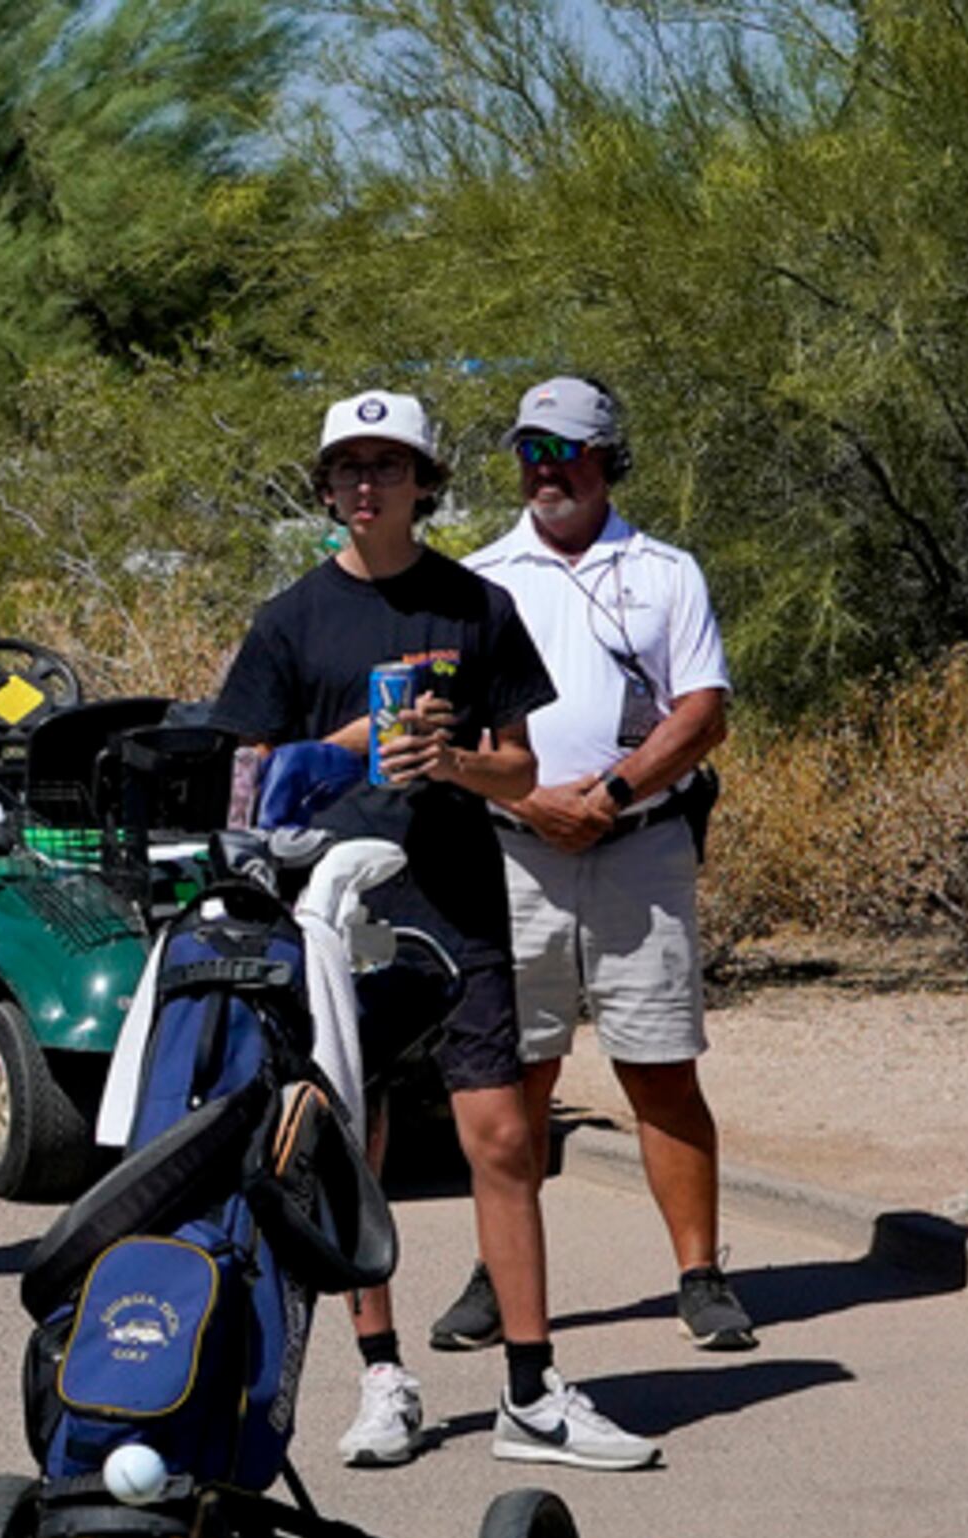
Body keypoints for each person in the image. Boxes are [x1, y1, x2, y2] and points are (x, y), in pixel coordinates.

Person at [214, 390, 653, 1471]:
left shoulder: (475, 605)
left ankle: (531, 1387)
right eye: (349, 468)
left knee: (502, 1138)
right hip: (337, 912)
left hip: (456, 899)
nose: (369, 485)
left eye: (390, 466)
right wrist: (348, 750)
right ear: (326, 487)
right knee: (353, 1144)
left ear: (424, 482)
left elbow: (521, 769)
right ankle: (382, 1377)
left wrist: (449, 761)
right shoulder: (289, 620)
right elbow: (241, 791)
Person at [444, 376, 751, 1356]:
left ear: (608, 457)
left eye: (567, 451)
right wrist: (527, 798)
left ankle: (699, 1275)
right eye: (532, 452)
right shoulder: (478, 578)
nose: (548, 472)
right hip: (515, 854)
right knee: (519, 1074)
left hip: (639, 847)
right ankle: (499, 1273)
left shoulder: (665, 571)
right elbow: (449, 729)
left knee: (659, 1068)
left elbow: (702, 710)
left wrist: (608, 796)